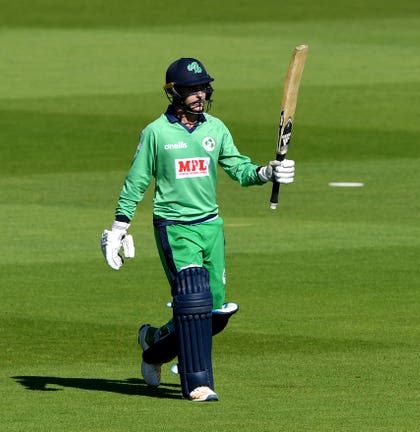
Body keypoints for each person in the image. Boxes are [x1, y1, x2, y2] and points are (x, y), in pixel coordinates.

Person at [100, 57, 295, 402]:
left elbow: (238, 168)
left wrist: (266, 173)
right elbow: (137, 181)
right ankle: (197, 384)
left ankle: (153, 345)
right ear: (173, 92)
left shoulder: (215, 129)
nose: (199, 94)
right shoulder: (156, 133)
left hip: (211, 226)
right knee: (192, 298)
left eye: (203, 87)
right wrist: (119, 226)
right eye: (191, 89)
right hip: (175, 226)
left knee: (214, 315)